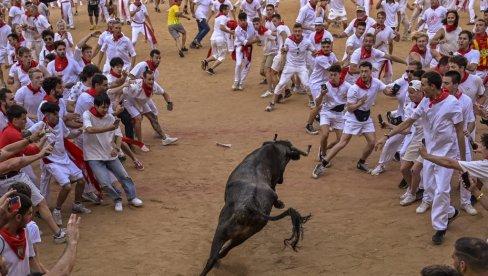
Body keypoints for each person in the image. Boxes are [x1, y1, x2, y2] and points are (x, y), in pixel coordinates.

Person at [377, 71, 465, 245]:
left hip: (447, 154)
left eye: (423, 84)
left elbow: (460, 133)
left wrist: (462, 161)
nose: (421, 87)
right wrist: (387, 136)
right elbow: (408, 122)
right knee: (431, 190)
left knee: (441, 190)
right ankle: (449, 212)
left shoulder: (452, 104)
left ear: (432, 86)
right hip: (428, 154)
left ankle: (440, 227)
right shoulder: (426, 101)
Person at [0, 105, 66, 243]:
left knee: (14, 209)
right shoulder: (12, 133)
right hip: (13, 177)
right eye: (23, 119)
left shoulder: (9, 131)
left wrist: (40, 136)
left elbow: (13, 150)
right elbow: (29, 152)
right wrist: (41, 145)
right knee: (40, 202)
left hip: (7, 178)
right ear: (15, 119)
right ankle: (58, 234)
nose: (25, 122)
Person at [312, 61, 390, 177]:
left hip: (365, 116)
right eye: (361, 71)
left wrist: (395, 91)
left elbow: (387, 90)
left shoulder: (376, 83)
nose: (363, 74)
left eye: (366, 71)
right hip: (352, 117)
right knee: (342, 142)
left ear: (371, 71)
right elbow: (349, 108)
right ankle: (322, 164)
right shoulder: (354, 88)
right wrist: (360, 102)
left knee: (372, 142)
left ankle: (361, 162)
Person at [82, 92, 143, 212]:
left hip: (110, 153)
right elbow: (89, 130)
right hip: (93, 155)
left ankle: (132, 197)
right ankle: (117, 200)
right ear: (95, 106)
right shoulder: (87, 115)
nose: (105, 110)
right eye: (103, 107)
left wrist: (117, 148)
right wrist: (108, 128)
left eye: (107, 107)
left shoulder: (111, 117)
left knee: (124, 176)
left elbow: (118, 135)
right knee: (104, 183)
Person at [369, 62, 422, 176]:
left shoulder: (422, 89)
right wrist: (388, 90)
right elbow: (389, 88)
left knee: (406, 152)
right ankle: (381, 165)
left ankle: (413, 176)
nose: (408, 73)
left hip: (415, 126)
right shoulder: (403, 81)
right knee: (389, 143)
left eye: (411, 71)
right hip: (403, 121)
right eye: (407, 71)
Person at [265, 23, 314, 111]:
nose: (297, 33)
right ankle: (272, 102)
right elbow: (284, 50)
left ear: (302, 31)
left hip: (301, 66)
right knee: (281, 83)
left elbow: (314, 51)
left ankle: (311, 101)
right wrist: (283, 59)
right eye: (296, 31)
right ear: (293, 32)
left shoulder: (307, 42)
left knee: (306, 84)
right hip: (290, 66)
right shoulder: (288, 41)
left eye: (299, 31)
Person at [0, 192, 35, 275]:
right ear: (18, 217)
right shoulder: (1, 240)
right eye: (29, 214)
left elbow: (31, 260)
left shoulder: (25, 232)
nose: (31, 217)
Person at [201, 4, 232, 75]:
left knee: (216, 55)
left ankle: (205, 61)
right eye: (227, 9)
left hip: (213, 38)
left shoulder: (217, 17)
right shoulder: (224, 17)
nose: (228, 10)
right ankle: (211, 69)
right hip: (220, 39)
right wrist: (230, 32)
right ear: (223, 10)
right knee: (222, 57)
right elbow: (221, 27)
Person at [232, 12, 258, 91]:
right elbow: (245, 42)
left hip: (249, 47)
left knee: (248, 65)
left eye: (244, 20)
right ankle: (236, 81)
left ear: (246, 19)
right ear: (238, 21)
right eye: (241, 20)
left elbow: (256, 33)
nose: (243, 22)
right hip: (240, 47)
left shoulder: (251, 25)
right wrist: (257, 40)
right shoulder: (237, 30)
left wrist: (258, 37)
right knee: (239, 63)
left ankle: (241, 82)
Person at [0, 13, 11, 88]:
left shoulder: (8, 28)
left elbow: (10, 40)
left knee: (10, 67)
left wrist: (9, 49)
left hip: (7, 49)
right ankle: (3, 82)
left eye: (0, 17)